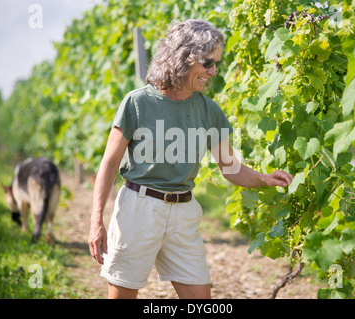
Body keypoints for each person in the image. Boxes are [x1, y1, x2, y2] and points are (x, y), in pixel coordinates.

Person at [88, 19, 293, 299]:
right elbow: (109, 164)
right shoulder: (137, 103)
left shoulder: (210, 111)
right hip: (139, 210)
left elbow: (230, 168)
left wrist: (264, 179)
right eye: (208, 62)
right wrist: (96, 219)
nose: (213, 71)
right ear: (184, 56)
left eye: (216, 64)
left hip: (183, 213)